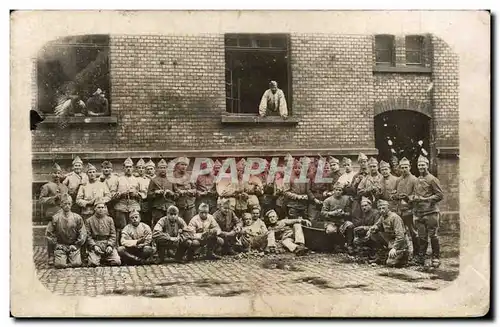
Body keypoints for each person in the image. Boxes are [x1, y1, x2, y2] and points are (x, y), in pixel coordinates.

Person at [411, 155, 444, 267]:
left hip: (431, 212)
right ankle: (421, 257)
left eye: (423, 165)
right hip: (419, 213)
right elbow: (416, 194)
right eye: (419, 165)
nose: (421, 167)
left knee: (433, 236)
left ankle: (436, 257)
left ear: (427, 165)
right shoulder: (416, 180)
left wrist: (425, 199)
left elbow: (440, 195)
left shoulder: (433, 179)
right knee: (422, 236)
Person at [45, 194, 87, 268]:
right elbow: (49, 233)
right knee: (60, 265)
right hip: (61, 246)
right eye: (65, 203)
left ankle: (71, 257)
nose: (67, 205)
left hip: (73, 246)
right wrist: (57, 244)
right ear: (61, 204)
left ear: (71, 205)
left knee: (76, 264)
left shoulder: (77, 217)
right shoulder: (55, 218)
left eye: (69, 203)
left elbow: (82, 232)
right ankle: (60, 257)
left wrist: (76, 244)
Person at [39, 162, 69, 265]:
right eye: (55, 173)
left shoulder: (65, 187)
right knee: (51, 235)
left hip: (63, 215)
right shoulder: (46, 186)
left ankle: (63, 254)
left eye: (59, 173)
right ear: (51, 174)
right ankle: (51, 255)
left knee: (63, 235)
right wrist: (53, 198)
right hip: (52, 215)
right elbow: (41, 200)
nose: (57, 175)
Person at [367, 200, 409, 268]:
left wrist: (395, 248)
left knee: (390, 263)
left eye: (383, 208)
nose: (381, 210)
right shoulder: (382, 217)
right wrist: (372, 228)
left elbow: (400, 236)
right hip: (390, 240)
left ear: (388, 208)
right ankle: (382, 254)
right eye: (380, 208)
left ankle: (403, 255)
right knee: (373, 234)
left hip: (400, 242)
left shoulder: (394, 217)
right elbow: (377, 225)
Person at [394, 157, 419, 258]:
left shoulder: (414, 179)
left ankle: (417, 253)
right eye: (402, 167)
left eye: (406, 167)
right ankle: (404, 253)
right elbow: (394, 192)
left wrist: (408, 197)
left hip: (410, 210)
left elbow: (417, 195)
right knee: (401, 232)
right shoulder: (398, 180)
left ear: (410, 167)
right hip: (400, 210)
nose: (404, 169)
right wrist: (394, 196)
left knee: (413, 232)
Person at [85, 201, 121, 267]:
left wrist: (110, 245)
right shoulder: (89, 220)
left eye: (102, 207)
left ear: (105, 208)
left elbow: (113, 235)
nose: (101, 209)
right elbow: (88, 236)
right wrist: (94, 246)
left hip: (107, 243)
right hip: (96, 243)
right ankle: (96, 258)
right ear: (94, 208)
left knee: (117, 261)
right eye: (98, 207)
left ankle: (104, 259)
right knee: (93, 263)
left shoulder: (110, 220)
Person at [113, 158, 142, 242]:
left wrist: (136, 194)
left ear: (133, 168)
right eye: (126, 167)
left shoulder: (137, 180)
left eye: (130, 167)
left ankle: (134, 244)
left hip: (134, 204)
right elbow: (112, 194)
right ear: (123, 168)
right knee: (122, 227)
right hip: (121, 205)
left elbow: (143, 194)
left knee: (134, 225)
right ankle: (122, 246)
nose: (128, 169)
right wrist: (120, 194)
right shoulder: (118, 179)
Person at [321, 182, 354, 253]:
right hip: (331, 222)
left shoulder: (346, 199)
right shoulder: (328, 200)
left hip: (342, 221)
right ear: (333, 190)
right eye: (336, 190)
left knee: (350, 225)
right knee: (330, 230)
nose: (338, 192)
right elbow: (323, 213)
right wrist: (332, 213)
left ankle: (349, 245)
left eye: (340, 190)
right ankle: (336, 245)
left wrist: (343, 213)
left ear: (342, 191)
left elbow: (349, 213)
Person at [148, 159, 176, 227]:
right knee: (158, 226)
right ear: (158, 169)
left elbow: (177, 195)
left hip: (169, 207)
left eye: (164, 168)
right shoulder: (153, 180)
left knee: (170, 225)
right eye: (161, 168)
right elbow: (149, 195)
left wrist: (171, 193)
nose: (163, 169)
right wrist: (156, 192)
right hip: (158, 208)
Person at [345, 153, 369, 223]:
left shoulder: (371, 173)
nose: (363, 163)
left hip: (370, 197)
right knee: (355, 211)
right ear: (359, 163)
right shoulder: (356, 175)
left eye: (364, 162)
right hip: (359, 198)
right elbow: (352, 190)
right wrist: (355, 183)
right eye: (361, 162)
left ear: (367, 162)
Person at [173, 157, 197, 224]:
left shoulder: (189, 176)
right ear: (178, 165)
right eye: (182, 164)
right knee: (178, 223)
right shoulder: (173, 176)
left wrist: (188, 191)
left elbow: (195, 189)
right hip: (179, 205)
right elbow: (175, 189)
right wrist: (179, 191)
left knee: (190, 224)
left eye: (185, 165)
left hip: (190, 205)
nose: (184, 167)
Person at [135, 158, 152, 226]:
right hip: (136, 201)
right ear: (136, 169)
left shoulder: (148, 179)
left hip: (146, 202)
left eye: (143, 168)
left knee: (147, 221)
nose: (141, 169)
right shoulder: (134, 179)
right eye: (139, 168)